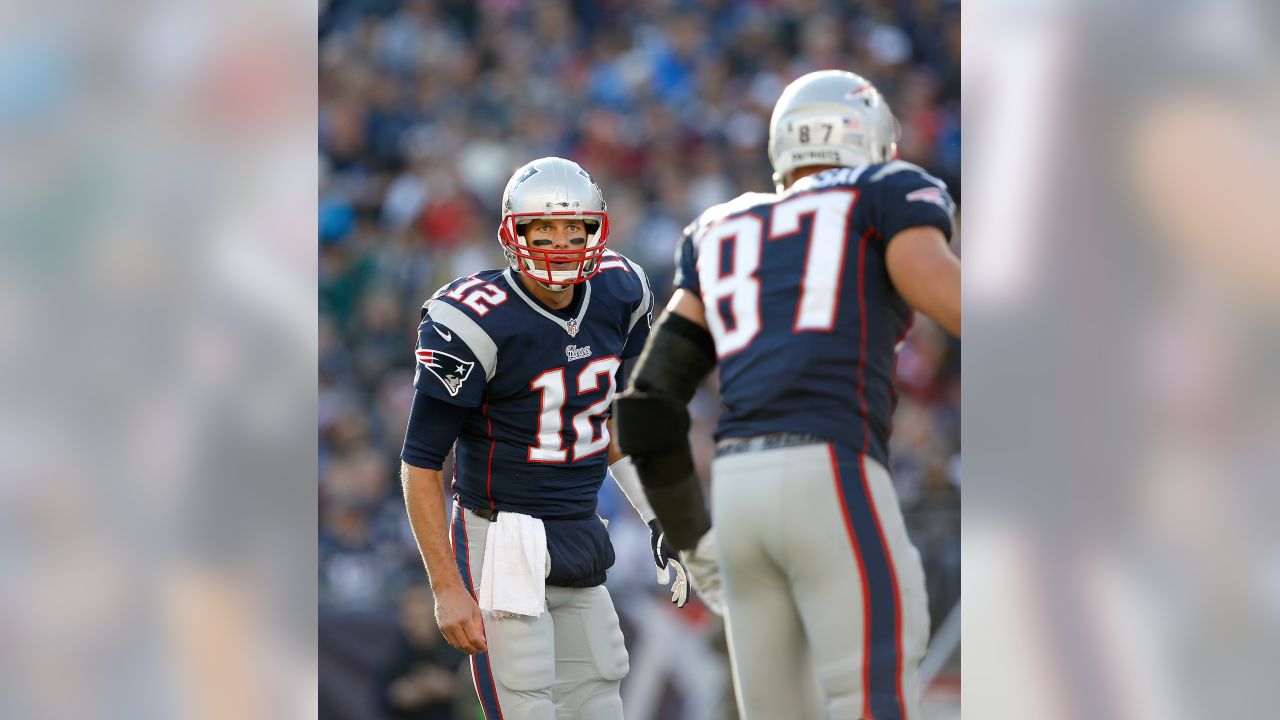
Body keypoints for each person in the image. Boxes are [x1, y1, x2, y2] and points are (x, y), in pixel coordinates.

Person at [615, 70, 962, 720]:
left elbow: (646, 406)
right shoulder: (886, 192)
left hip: (739, 496)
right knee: (873, 700)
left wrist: (694, 542)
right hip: (830, 470)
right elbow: (945, 291)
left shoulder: (721, 229)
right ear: (872, 142)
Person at [399, 156, 686, 720]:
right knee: (527, 700)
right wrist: (446, 586)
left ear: (595, 230)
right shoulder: (473, 319)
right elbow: (422, 463)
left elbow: (616, 424)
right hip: (501, 538)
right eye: (544, 228)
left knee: (602, 693)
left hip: (580, 527)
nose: (560, 241)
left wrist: (659, 515)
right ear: (514, 234)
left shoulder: (621, 292)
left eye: (573, 227)